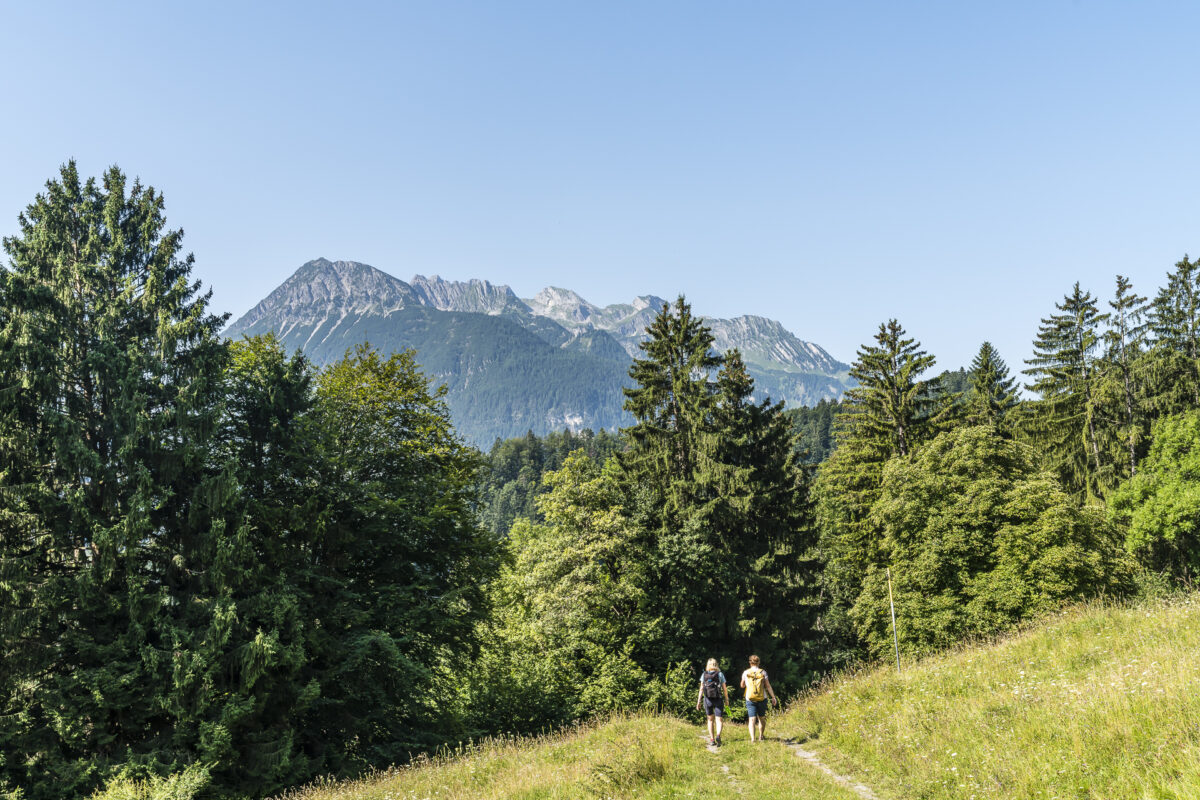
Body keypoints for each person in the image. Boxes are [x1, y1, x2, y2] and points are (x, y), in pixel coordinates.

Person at [740, 654, 779, 743]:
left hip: (750, 699)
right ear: (759, 662)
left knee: (752, 719)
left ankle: (753, 739)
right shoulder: (763, 672)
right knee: (761, 718)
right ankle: (761, 736)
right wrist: (773, 697)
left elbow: (742, 685)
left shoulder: (746, 672)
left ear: (750, 662)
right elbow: (768, 686)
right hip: (762, 698)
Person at [695, 657, 731, 746]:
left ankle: (712, 739)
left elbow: (701, 689)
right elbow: (724, 689)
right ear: (716, 665)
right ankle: (718, 735)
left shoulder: (704, 674)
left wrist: (698, 701)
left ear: (708, 665)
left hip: (708, 700)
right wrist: (727, 699)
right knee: (719, 719)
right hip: (718, 699)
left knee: (710, 720)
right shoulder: (720, 674)